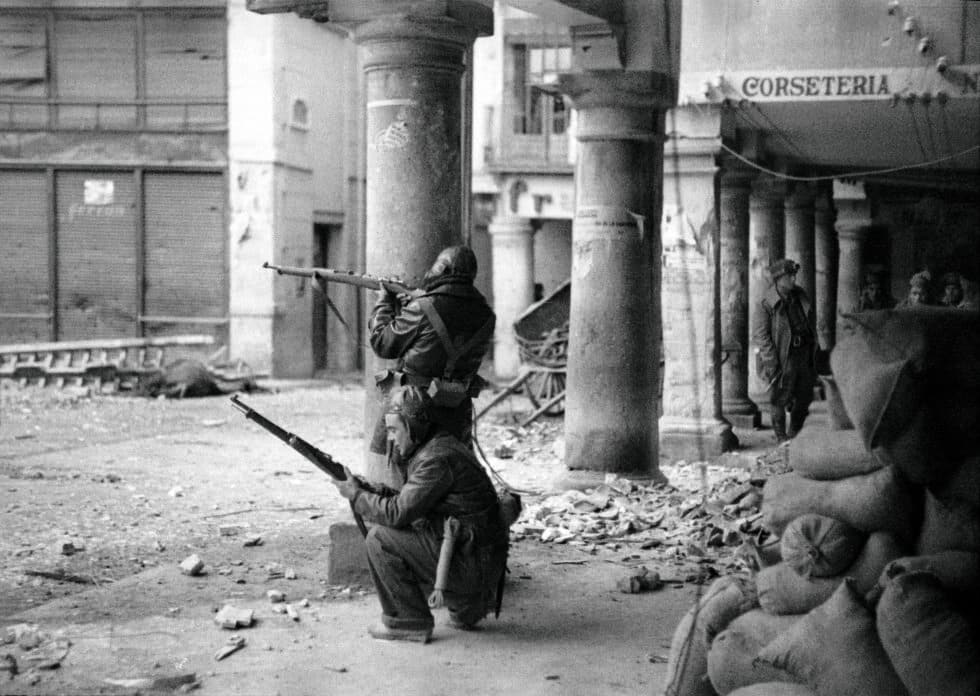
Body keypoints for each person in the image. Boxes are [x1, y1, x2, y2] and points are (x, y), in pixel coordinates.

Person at [331, 386, 509, 643]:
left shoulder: (435, 459)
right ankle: (467, 605)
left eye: (394, 430)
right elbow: (411, 499)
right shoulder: (440, 446)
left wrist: (357, 496)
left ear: (413, 426)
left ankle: (408, 622)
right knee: (415, 529)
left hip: (473, 564)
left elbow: (397, 513)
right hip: (480, 558)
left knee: (380, 539)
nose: (390, 439)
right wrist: (370, 489)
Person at [368, 245, 495, 462]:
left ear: (444, 269)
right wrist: (414, 308)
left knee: (412, 472)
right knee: (453, 466)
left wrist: (384, 303)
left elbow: (383, 344)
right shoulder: (486, 314)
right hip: (457, 405)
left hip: (415, 404)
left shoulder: (423, 307)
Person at [752, 259, 817, 442]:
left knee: (804, 397)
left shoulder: (799, 297)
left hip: (803, 353)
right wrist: (772, 362)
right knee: (780, 398)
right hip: (783, 356)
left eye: (794, 275)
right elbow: (761, 336)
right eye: (789, 276)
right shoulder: (766, 304)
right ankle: (782, 439)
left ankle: (794, 434)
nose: (794, 279)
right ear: (779, 279)